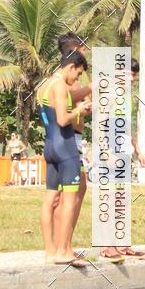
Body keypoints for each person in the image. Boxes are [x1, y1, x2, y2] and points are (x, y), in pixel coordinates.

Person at [39, 51, 91, 266]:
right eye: (77, 74)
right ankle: (63, 252)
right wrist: (79, 110)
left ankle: (51, 251)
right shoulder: (60, 86)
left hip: (50, 146)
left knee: (50, 198)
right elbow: (63, 119)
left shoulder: (46, 84)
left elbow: (50, 117)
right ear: (71, 66)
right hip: (65, 148)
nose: (76, 80)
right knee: (70, 200)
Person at [100, 57, 145, 261]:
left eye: (134, 75)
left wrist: (138, 150)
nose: (131, 78)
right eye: (128, 73)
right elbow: (100, 124)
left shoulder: (126, 97)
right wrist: (105, 152)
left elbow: (127, 128)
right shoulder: (109, 93)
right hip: (111, 153)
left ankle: (123, 244)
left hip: (124, 153)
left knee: (123, 200)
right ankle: (107, 246)